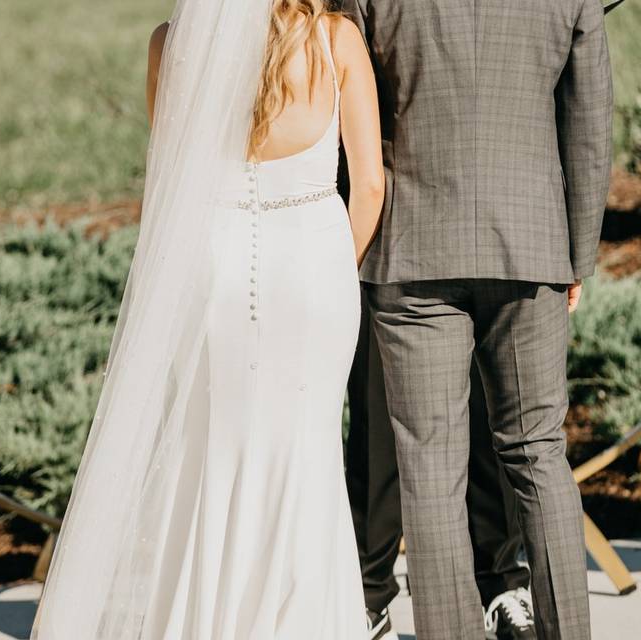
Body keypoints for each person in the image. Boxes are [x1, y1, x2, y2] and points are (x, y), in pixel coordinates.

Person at [30, 1, 384, 638]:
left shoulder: (169, 46)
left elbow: (173, 182)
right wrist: (335, 265)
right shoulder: (335, 40)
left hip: (213, 271)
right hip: (313, 277)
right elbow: (370, 186)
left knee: (212, 456)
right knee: (306, 456)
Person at [340, 1, 614, 639]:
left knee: (429, 467)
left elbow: (343, 105)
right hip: (530, 244)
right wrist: (578, 253)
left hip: (411, 244)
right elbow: (589, 121)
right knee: (539, 452)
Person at [346, 309, 535, 640]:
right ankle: (369, 595)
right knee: (375, 406)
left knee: (487, 397)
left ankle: (501, 582)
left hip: (472, 260)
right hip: (374, 264)